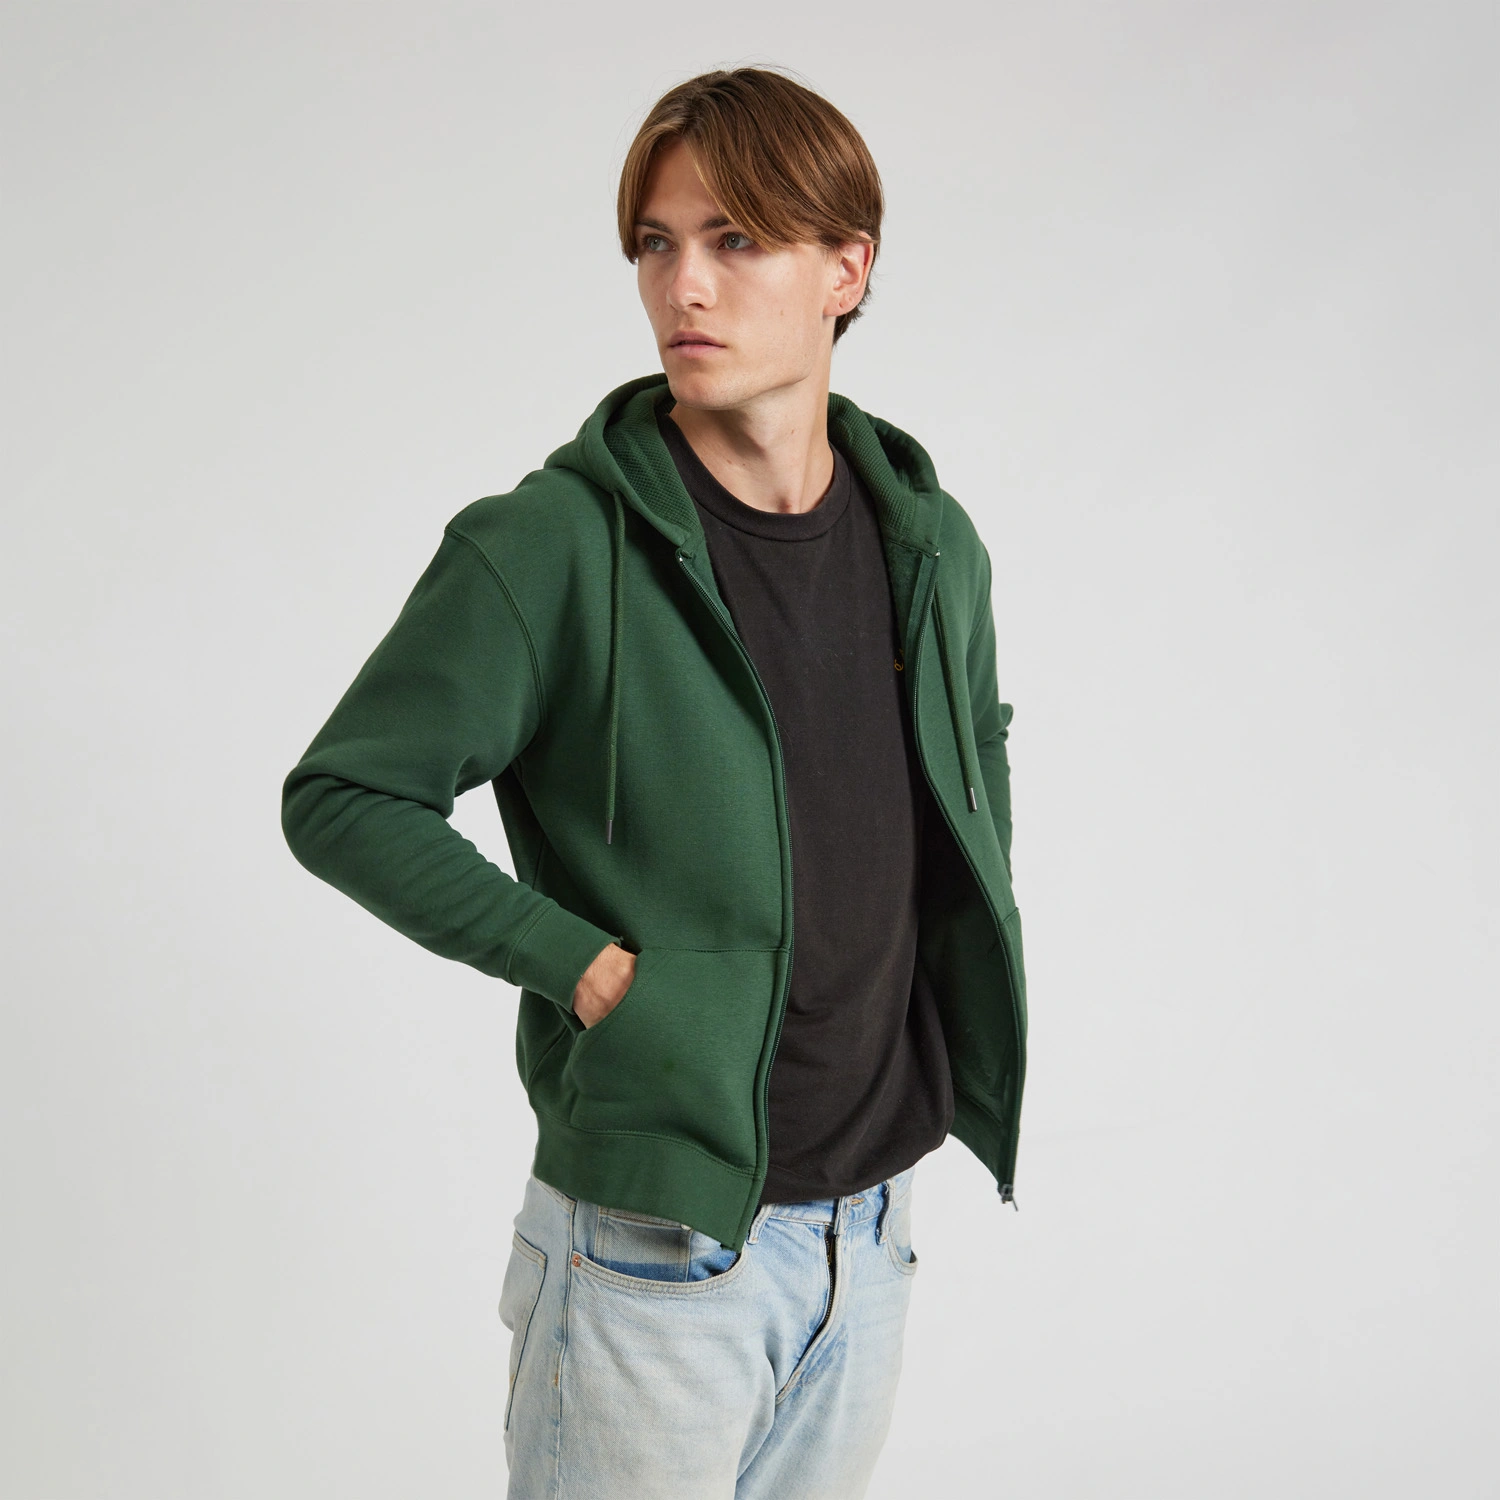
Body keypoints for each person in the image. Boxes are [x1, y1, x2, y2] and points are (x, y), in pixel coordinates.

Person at [281, 66, 1027, 1500]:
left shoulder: (932, 543)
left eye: (736, 240)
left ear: (846, 270)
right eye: (655, 243)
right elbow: (346, 795)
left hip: (869, 1229)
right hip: (652, 1254)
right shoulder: (552, 544)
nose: (684, 284)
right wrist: (575, 963)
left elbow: (973, 762)